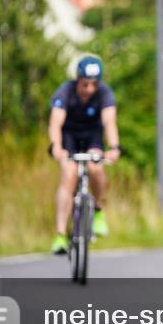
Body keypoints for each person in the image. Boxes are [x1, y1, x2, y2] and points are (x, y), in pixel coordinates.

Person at [47, 56, 121, 254]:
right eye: (85, 84)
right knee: (69, 175)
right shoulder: (65, 91)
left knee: (97, 167)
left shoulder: (105, 93)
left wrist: (114, 147)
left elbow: (109, 122)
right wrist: (56, 147)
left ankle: (97, 211)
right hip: (69, 137)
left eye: (94, 85)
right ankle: (61, 235)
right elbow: (55, 123)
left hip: (92, 137)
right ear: (78, 79)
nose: (89, 89)